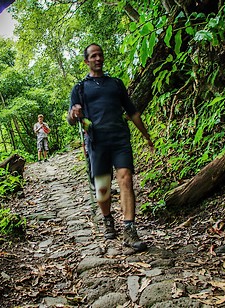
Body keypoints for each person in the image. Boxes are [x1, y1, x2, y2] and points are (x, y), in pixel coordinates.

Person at [67, 43, 154, 252]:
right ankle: (107, 219)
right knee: (102, 188)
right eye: (93, 56)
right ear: (86, 61)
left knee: (126, 179)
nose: (98, 59)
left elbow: (132, 112)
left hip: (120, 139)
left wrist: (147, 136)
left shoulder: (116, 84)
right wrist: (74, 113)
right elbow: (71, 119)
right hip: (97, 142)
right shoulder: (79, 88)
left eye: (100, 55)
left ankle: (129, 229)